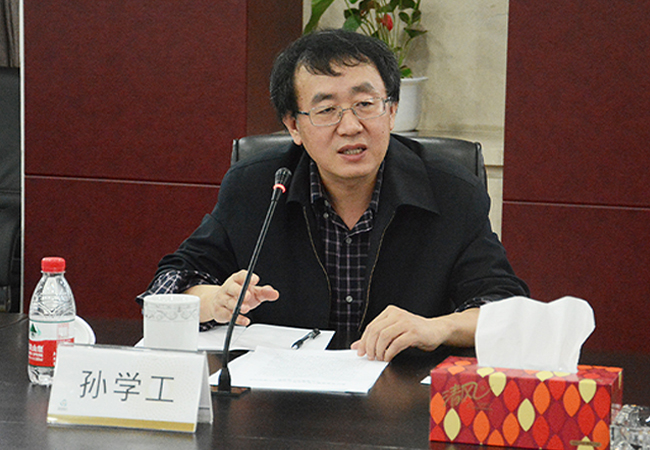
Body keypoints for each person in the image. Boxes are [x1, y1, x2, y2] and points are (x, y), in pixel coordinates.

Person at [138, 29, 529, 362]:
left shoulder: (451, 191)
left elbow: (507, 309)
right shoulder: (256, 187)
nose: (350, 126)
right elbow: (168, 284)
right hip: (283, 403)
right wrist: (214, 301)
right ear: (293, 125)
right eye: (326, 110)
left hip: (403, 402)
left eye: (365, 104)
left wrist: (435, 328)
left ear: (392, 111)